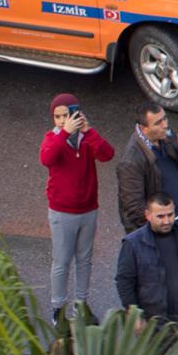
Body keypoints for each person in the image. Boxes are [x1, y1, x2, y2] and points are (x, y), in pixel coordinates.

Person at [39, 93, 113, 320]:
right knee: (61, 261)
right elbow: (47, 158)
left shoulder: (86, 138)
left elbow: (107, 154)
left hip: (88, 210)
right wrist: (64, 133)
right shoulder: (53, 138)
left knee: (84, 260)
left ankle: (80, 306)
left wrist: (89, 132)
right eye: (57, 117)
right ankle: (58, 309)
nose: (62, 120)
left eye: (66, 115)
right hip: (62, 212)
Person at [114, 192, 178, 325]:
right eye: (160, 216)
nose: (167, 221)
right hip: (154, 324)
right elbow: (124, 281)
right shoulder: (133, 244)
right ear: (148, 215)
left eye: (170, 215)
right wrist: (133, 313)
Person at [113, 100, 178, 232]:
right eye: (158, 122)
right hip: (158, 227)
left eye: (164, 118)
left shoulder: (166, 135)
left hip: (176, 217)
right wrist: (162, 225)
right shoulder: (130, 161)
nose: (165, 125)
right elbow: (134, 207)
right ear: (144, 129)